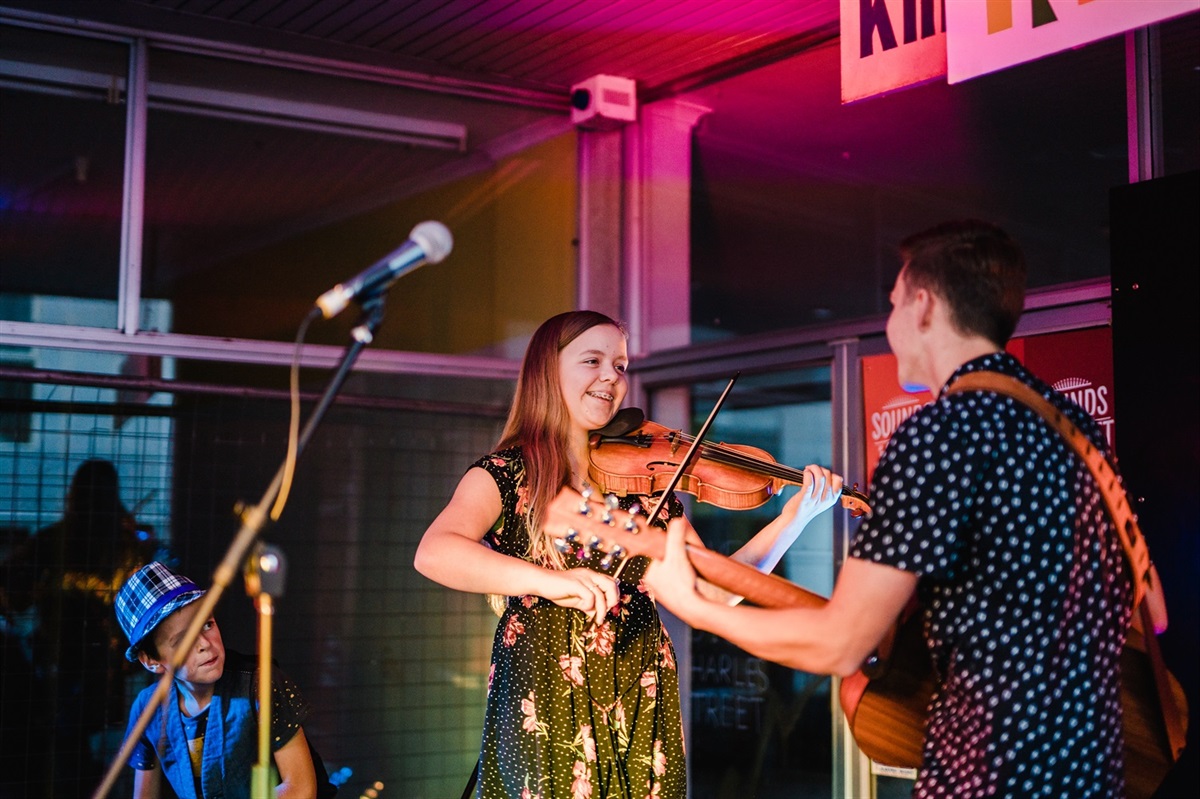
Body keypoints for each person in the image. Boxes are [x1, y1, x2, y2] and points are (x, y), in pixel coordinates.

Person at [642, 219, 1134, 798]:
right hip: (1091, 767)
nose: (891, 323)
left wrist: (695, 607)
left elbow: (841, 642)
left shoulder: (943, 433)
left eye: (896, 304)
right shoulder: (1070, 427)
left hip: (992, 772)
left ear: (924, 306)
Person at [414, 310, 841, 799]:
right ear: (546, 372)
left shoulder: (647, 488)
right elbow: (435, 552)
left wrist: (795, 519)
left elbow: (716, 590)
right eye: (592, 360)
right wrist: (554, 581)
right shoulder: (506, 474)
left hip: (641, 692)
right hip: (547, 696)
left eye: (619, 365)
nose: (611, 378)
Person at [114, 561, 336, 799]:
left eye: (207, 624)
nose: (204, 644)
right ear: (150, 660)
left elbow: (301, 789)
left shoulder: (260, 685)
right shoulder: (147, 709)